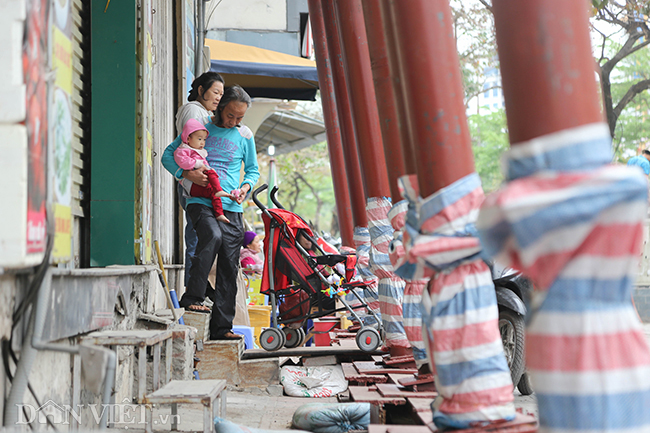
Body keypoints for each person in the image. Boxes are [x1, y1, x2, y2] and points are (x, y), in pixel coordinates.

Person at [162, 85, 260, 339]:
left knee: (229, 264)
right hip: (200, 201)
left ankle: (222, 328)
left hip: (232, 206)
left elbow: (252, 170)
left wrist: (245, 188)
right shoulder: (199, 128)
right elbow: (167, 156)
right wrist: (183, 173)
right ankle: (193, 295)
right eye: (231, 115)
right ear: (220, 108)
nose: (235, 122)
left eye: (240, 118)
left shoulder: (244, 136)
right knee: (212, 236)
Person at [176, 72, 226, 297]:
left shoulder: (202, 112)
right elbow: (185, 148)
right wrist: (187, 174)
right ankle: (192, 290)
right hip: (192, 184)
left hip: (198, 182)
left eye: (221, 94)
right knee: (197, 237)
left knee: (201, 236)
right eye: (215, 92)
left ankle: (197, 289)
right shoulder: (194, 111)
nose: (218, 98)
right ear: (201, 90)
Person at [174, 119, 235, 223]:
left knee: (213, 193)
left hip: (200, 181)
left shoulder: (199, 151)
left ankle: (219, 213)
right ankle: (218, 190)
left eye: (204, 140)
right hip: (191, 184)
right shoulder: (183, 150)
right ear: (188, 138)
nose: (202, 143)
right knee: (211, 174)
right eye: (199, 139)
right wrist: (198, 164)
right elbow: (183, 162)